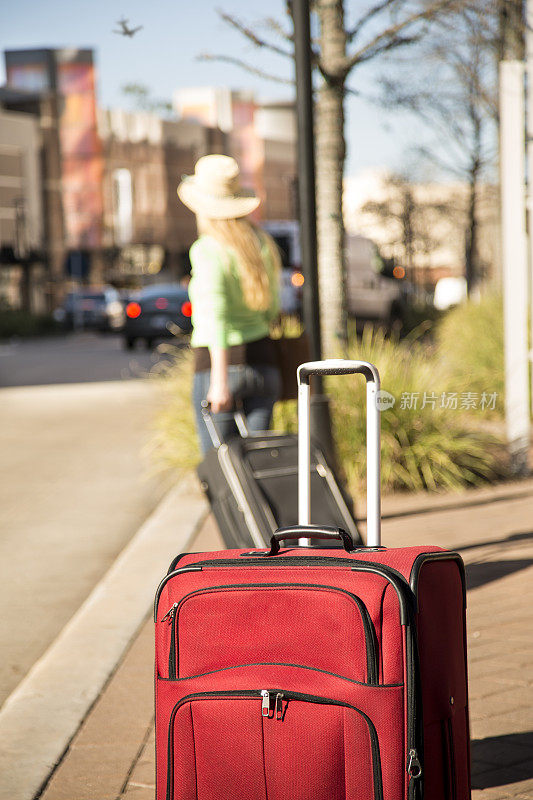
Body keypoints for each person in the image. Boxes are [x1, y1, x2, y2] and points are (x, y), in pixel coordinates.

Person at [177, 155, 282, 455]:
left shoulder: (207, 249)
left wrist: (220, 381)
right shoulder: (260, 244)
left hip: (219, 369)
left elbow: (214, 317)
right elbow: (271, 308)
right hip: (264, 363)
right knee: (258, 468)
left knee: (224, 472)